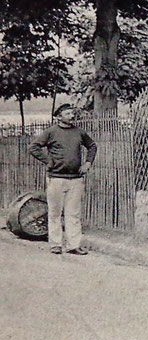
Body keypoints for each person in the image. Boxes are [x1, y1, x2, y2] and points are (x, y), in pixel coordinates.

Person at [27, 104, 97, 255]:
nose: (72, 116)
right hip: (56, 179)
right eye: (67, 113)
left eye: (72, 113)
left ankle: (73, 245)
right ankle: (56, 244)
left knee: (74, 213)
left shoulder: (79, 132)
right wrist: (48, 161)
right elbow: (34, 147)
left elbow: (92, 146)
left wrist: (87, 163)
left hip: (76, 179)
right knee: (54, 213)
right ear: (59, 116)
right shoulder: (51, 132)